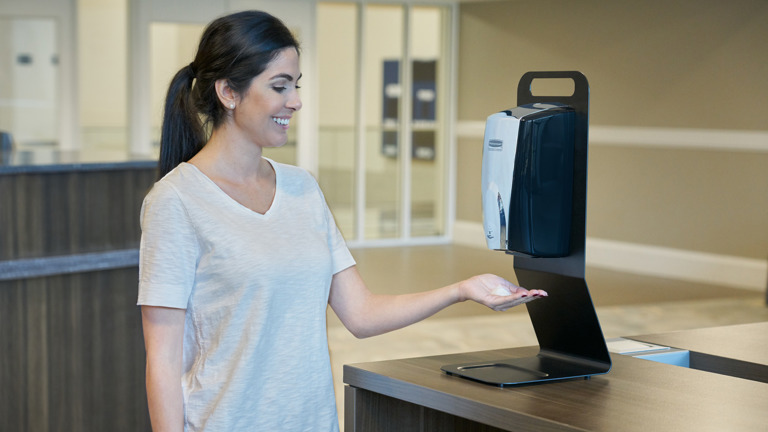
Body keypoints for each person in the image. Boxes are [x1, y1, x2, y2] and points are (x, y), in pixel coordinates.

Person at [138, 10, 547, 432]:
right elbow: (164, 363)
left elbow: (361, 313)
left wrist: (462, 289)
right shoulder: (176, 201)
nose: (295, 101)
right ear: (228, 92)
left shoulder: (302, 190)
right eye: (280, 86)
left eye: (296, 86)